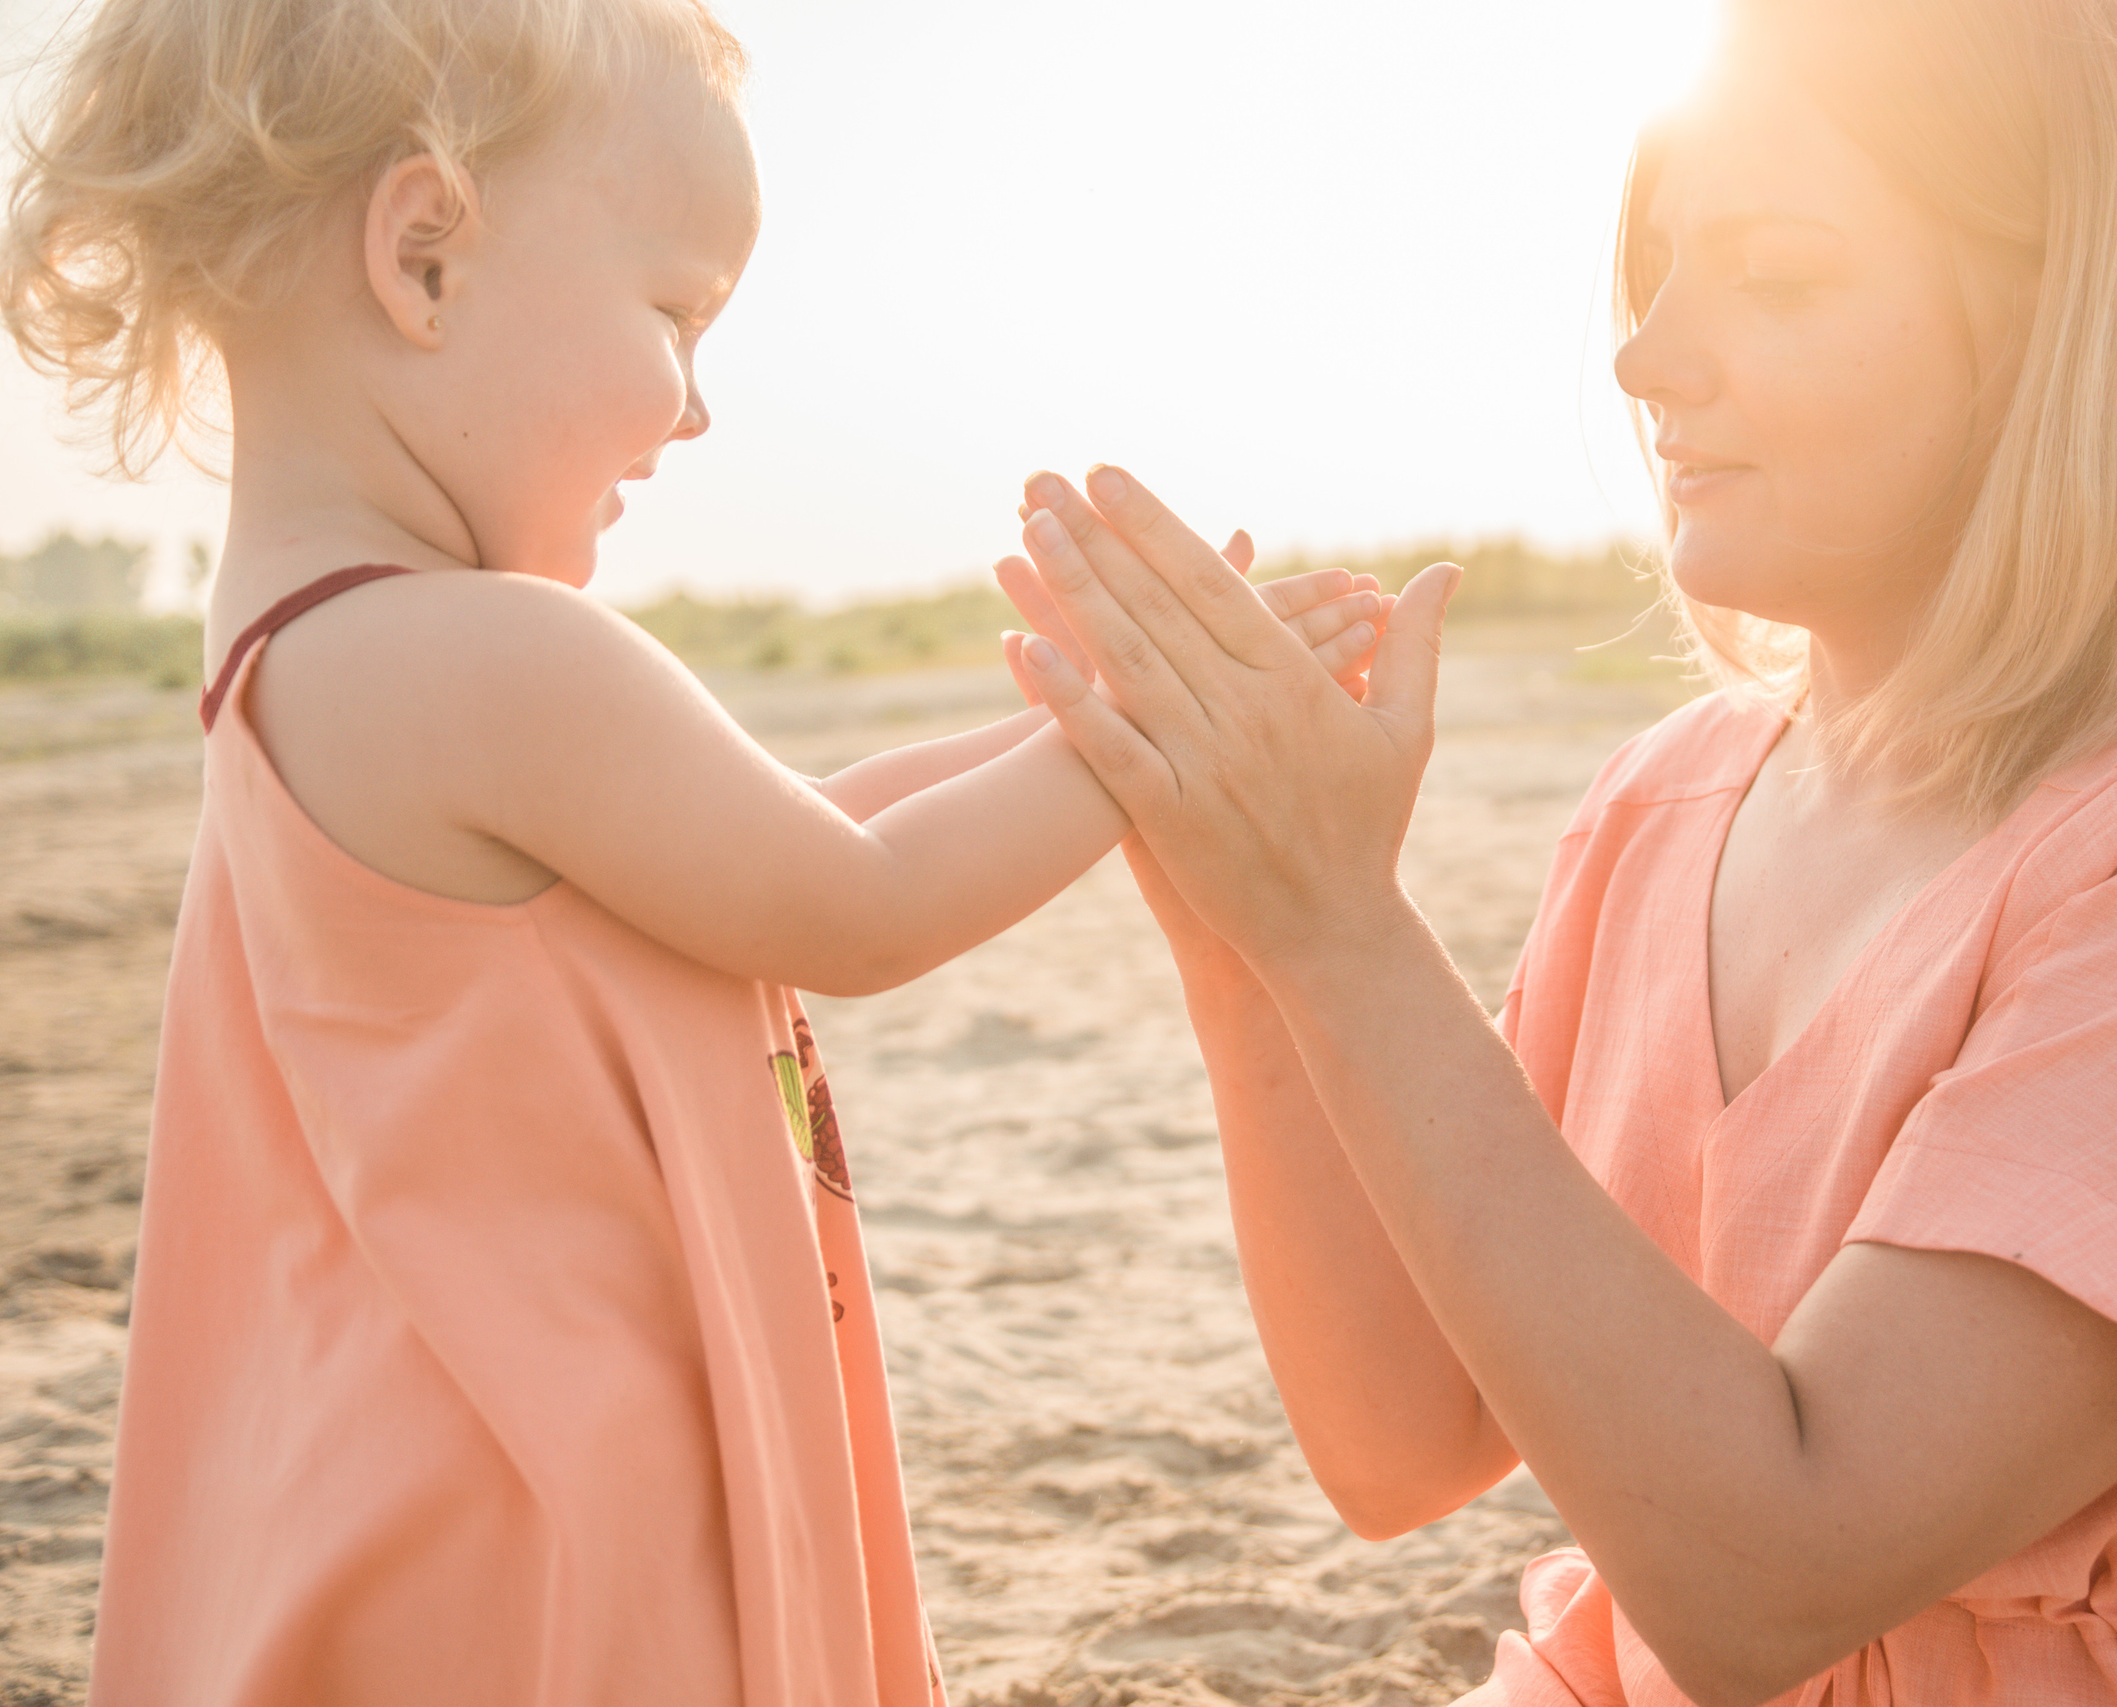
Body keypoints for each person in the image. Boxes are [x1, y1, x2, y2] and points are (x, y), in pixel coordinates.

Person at [996, 0, 2117, 1700]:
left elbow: (1770, 1575)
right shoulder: (1661, 806)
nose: (1645, 360)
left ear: (2062, 327)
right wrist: (1252, 935)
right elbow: (1396, 1443)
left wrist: (1348, 930)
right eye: (1657, 271)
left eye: (1779, 277)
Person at [0, 0, 1379, 1698]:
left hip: (459, 1482)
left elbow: (785, 856)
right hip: (546, 1536)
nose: (706, 411)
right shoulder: (483, 653)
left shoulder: (319, 653)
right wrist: (1166, 734)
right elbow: (857, 907)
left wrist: (1076, 730)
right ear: (424, 256)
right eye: (678, 313)